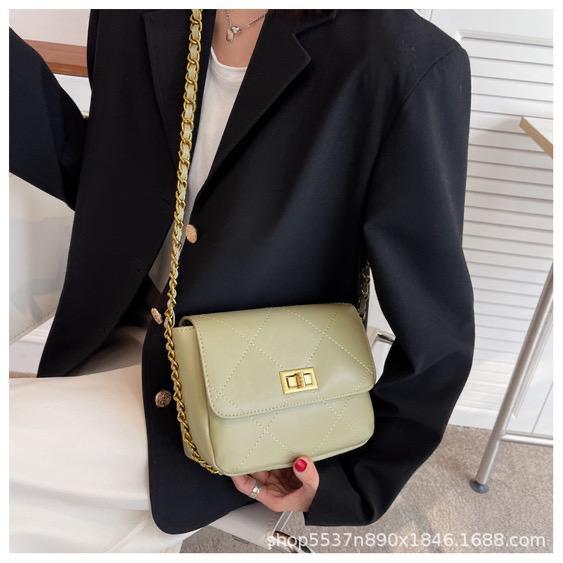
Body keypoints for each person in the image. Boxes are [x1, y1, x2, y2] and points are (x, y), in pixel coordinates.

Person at [9, 8, 475, 552]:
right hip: (107, 335)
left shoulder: (400, 58)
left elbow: (435, 320)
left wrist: (349, 482)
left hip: (238, 407)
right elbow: (104, 176)